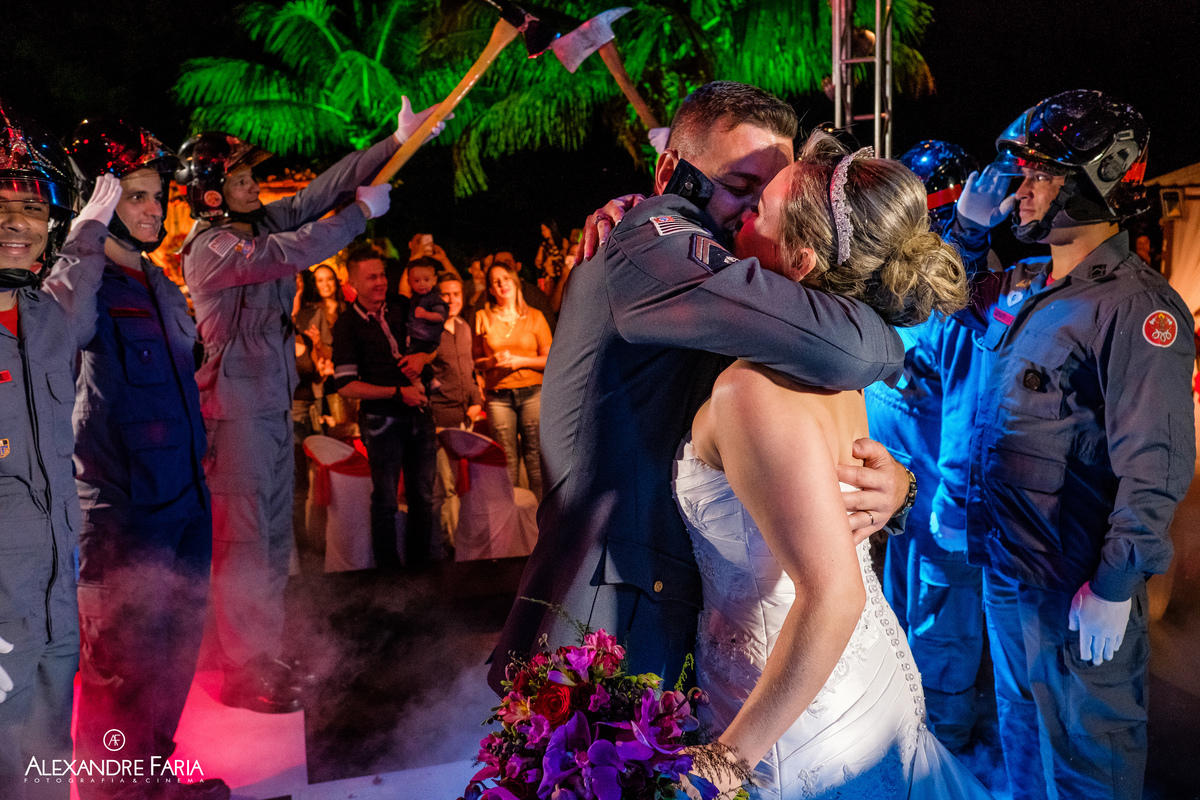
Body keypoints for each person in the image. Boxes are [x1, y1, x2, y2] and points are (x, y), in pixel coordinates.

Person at [488, 81, 913, 695]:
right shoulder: (649, 241)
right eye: (740, 187)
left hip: (689, 611)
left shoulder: (732, 267)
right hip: (608, 615)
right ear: (671, 172)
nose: (753, 210)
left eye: (769, 194)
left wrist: (896, 486)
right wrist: (896, 345)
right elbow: (847, 347)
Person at [676, 131, 989, 800]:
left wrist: (725, 763)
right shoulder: (837, 370)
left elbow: (834, 594)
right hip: (853, 680)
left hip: (796, 724)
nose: (739, 217)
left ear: (800, 261)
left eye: (759, 209)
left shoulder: (753, 391)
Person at [954, 90, 1195, 800]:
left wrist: (1115, 585)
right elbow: (950, 302)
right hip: (1010, 565)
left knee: (1090, 762)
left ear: (1096, 180)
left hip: (1073, 581)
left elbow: (1154, 463)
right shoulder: (1027, 284)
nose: (1019, 190)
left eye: (1040, 173)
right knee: (1023, 737)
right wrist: (967, 236)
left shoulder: (1135, 307)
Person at [177, 99, 441, 712]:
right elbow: (291, 251)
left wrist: (395, 142)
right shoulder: (211, 247)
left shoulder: (256, 224)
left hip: (270, 404)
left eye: (252, 176)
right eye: (241, 180)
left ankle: (262, 652)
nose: (255, 187)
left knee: (273, 539)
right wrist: (358, 216)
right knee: (243, 544)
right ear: (210, 194)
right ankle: (241, 669)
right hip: (234, 413)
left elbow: (314, 195)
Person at [44, 118, 228, 800]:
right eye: (137, 196)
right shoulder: (81, 282)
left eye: (158, 196)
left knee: (172, 657)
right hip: (120, 514)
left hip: (183, 501)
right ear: (99, 201)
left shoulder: (158, 281)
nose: (155, 209)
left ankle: (150, 777)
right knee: (119, 668)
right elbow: (64, 327)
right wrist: (85, 236)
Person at [864, 140, 992, 752]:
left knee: (941, 632)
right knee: (898, 624)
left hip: (940, 510)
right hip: (897, 504)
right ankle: (911, 740)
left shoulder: (958, 299)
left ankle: (945, 749)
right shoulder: (898, 287)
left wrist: (953, 513)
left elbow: (968, 420)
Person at [0, 100, 81, 800]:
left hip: (58, 590)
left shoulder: (47, 316)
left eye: (30, 207)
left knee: (51, 752)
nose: (15, 223)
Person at [332, 247, 438, 569]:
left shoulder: (403, 306)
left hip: (420, 414)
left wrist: (423, 357)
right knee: (386, 501)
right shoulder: (347, 325)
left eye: (382, 275)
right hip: (382, 421)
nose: (380, 282)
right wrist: (397, 393)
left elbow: (434, 341)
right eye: (371, 277)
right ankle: (388, 578)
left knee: (424, 499)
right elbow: (346, 385)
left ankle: (420, 574)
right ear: (353, 283)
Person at [472, 259, 552, 499]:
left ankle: (538, 517)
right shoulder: (483, 316)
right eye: (495, 281)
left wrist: (520, 361)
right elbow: (475, 360)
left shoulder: (535, 316)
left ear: (515, 282)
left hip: (532, 393)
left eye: (505, 279)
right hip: (499, 396)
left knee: (535, 460)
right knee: (506, 461)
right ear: (490, 288)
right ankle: (512, 516)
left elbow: (549, 359)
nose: (501, 285)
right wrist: (492, 361)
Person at [430, 273, 484, 550]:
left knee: (463, 485)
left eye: (456, 294)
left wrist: (476, 400)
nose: (451, 300)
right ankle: (447, 548)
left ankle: (462, 543)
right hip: (441, 417)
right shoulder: (428, 332)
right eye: (445, 294)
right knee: (445, 486)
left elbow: (468, 370)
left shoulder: (463, 327)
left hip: (465, 418)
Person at [403, 256, 449, 395]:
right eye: (417, 281)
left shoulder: (433, 298)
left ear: (434, 280)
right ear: (409, 282)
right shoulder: (415, 298)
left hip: (428, 338)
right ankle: (427, 380)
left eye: (426, 280)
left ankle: (421, 381)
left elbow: (440, 316)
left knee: (411, 356)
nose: (422, 284)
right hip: (418, 336)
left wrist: (425, 314)